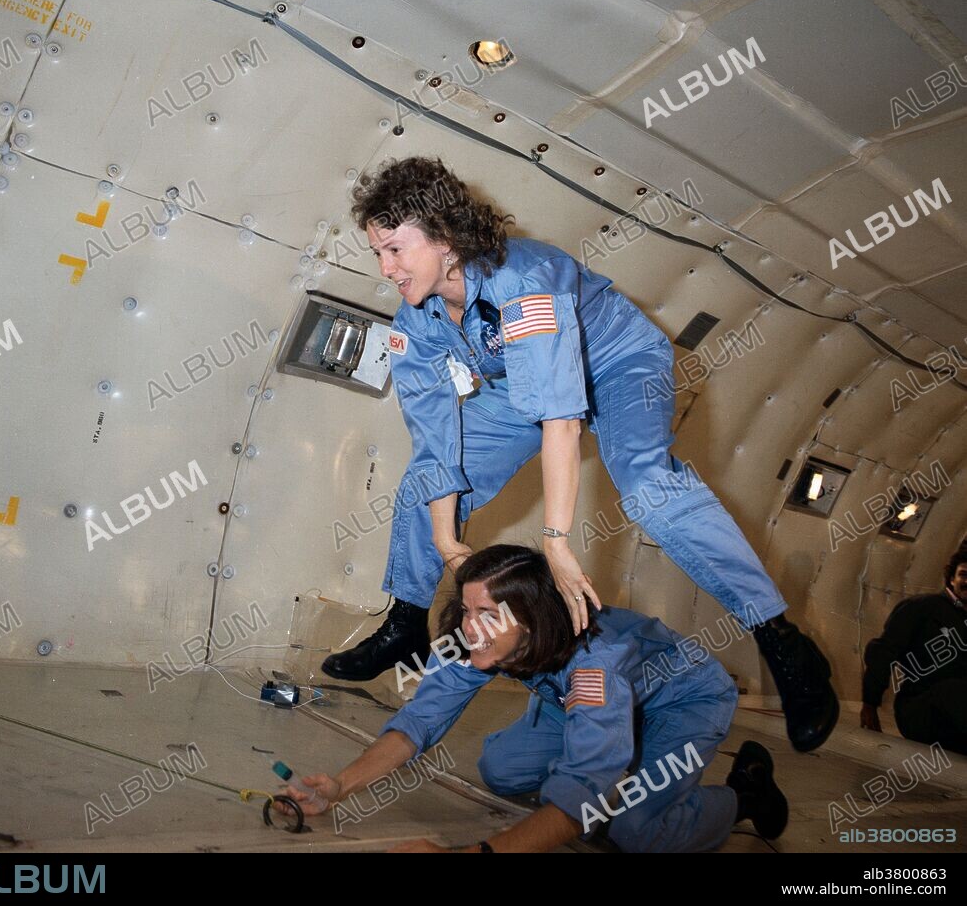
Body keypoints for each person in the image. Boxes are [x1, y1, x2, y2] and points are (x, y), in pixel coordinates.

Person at [322, 155, 837, 753]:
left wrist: (557, 541)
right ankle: (405, 623)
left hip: (620, 364)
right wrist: (445, 545)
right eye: (377, 254)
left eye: (394, 250)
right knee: (424, 483)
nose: (386, 270)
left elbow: (560, 419)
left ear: (444, 237)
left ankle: (782, 641)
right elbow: (437, 437)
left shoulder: (525, 282)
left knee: (646, 487)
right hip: (525, 381)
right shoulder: (417, 317)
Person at [286, 545, 788, 852]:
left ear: (530, 618)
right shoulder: (480, 637)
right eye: (465, 609)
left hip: (684, 698)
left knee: (635, 832)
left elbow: (579, 800)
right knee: (501, 770)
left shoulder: (597, 667)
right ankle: (617, 753)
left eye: (487, 613)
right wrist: (340, 786)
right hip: (570, 697)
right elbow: (419, 721)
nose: (469, 628)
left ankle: (744, 795)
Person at [860, 545, 967, 755]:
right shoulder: (922, 608)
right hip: (920, 710)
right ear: (951, 578)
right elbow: (883, 652)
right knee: (955, 690)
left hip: (957, 721)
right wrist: (870, 703)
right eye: (964, 574)